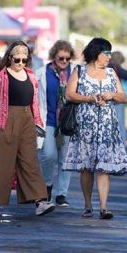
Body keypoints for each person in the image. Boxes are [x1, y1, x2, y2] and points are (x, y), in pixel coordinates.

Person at [0, 41, 55, 216]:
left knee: (30, 161)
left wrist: (38, 122)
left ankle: (40, 202)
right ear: (10, 58)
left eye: (24, 60)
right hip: (7, 119)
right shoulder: (1, 77)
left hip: (27, 119)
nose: (21, 63)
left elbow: (34, 102)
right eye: (17, 60)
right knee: (2, 162)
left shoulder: (30, 75)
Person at [63, 37, 127, 219]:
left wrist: (112, 95)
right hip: (85, 126)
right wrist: (90, 98)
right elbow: (69, 94)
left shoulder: (111, 73)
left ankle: (103, 207)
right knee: (86, 167)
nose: (109, 57)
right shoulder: (80, 71)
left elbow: (124, 97)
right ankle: (87, 206)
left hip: (108, 127)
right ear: (96, 53)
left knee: (104, 168)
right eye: (106, 53)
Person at [36, 40, 77, 206]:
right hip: (49, 120)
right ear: (54, 56)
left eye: (68, 58)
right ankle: (47, 184)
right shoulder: (42, 73)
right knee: (49, 154)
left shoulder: (75, 72)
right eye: (61, 58)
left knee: (65, 159)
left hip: (67, 121)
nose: (65, 61)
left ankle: (62, 194)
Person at [108, 51, 127, 140]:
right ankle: (121, 143)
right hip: (117, 98)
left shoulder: (106, 66)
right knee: (120, 122)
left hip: (107, 97)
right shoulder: (115, 67)